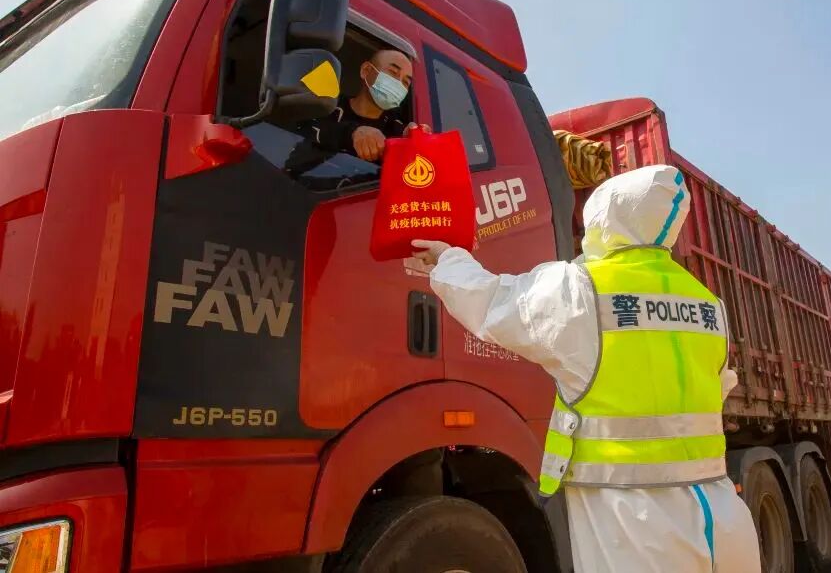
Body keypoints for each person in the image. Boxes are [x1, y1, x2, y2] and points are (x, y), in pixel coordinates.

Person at [411, 165, 761, 573]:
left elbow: (494, 302)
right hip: (721, 513)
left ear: (604, 216)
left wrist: (447, 260)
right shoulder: (707, 303)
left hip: (632, 518)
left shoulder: (581, 288)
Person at [303, 47, 428, 162]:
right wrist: (352, 133)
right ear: (366, 71)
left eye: (405, 82)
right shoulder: (328, 105)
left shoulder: (397, 131)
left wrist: (416, 142)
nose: (398, 84)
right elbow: (304, 130)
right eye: (393, 72)